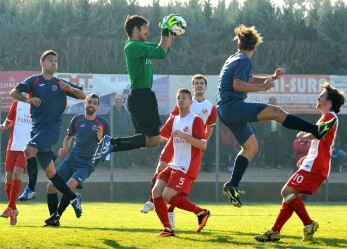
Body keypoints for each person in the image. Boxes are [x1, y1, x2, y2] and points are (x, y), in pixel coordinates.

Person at [217, 24, 337, 208]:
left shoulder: (235, 58)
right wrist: (263, 87)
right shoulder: (245, 60)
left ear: (238, 44)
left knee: (251, 147)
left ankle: (232, 184)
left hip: (226, 111)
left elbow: (248, 78)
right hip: (232, 107)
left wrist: (270, 78)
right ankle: (316, 130)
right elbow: (238, 85)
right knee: (276, 112)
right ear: (255, 47)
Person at [254, 82, 345, 242]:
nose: (318, 97)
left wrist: (304, 135)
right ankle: (274, 231)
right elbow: (322, 141)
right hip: (314, 163)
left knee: (286, 192)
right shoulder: (326, 117)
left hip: (316, 166)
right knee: (289, 198)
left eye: (321, 95)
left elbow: (319, 133)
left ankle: (308, 224)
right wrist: (307, 156)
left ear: (329, 102)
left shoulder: (331, 117)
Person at [93, 14, 180, 164]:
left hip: (143, 96)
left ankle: (111, 144)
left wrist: (169, 32)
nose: (147, 31)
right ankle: (111, 143)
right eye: (145, 28)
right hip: (141, 97)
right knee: (154, 140)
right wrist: (165, 30)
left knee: (152, 140)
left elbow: (163, 51)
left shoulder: (141, 45)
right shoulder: (133, 46)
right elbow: (160, 52)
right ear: (135, 29)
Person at [10, 50, 86, 218]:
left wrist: (71, 88)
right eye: (50, 60)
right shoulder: (34, 80)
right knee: (51, 174)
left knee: (28, 150)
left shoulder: (60, 83)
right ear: (42, 63)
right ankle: (74, 198)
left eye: (56, 61)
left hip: (51, 130)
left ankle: (30, 188)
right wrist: (27, 99)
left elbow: (83, 96)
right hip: (36, 130)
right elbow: (13, 92)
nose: (53, 63)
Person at [140, 74, 217, 228]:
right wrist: (145, 140)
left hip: (189, 152)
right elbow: (165, 131)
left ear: (206, 87)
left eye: (202, 83)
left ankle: (173, 211)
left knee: (169, 194)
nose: (199, 85)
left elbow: (208, 132)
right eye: (196, 83)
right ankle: (153, 203)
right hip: (175, 144)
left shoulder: (209, 109)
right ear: (193, 86)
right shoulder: (181, 107)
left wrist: (199, 141)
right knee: (160, 169)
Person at [44, 93, 109, 226]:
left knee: (69, 186)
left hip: (86, 164)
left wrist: (101, 139)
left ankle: (56, 217)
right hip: (71, 160)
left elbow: (107, 147)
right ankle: (54, 219)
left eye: (95, 103)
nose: (91, 104)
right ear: (85, 103)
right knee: (51, 187)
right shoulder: (77, 119)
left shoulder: (103, 123)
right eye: (89, 102)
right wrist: (65, 148)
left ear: (98, 106)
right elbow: (68, 137)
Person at [152, 88, 210, 237]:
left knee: (167, 195)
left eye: (184, 98)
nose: (181, 100)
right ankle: (167, 228)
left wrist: (185, 136)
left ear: (190, 102)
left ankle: (201, 212)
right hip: (174, 164)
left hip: (187, 166)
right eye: (178, 98)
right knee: (156, 192)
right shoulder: (174, 119)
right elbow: (159, 136)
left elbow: (203, 145)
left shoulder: (196, 120)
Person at [0, 100, 31, 225]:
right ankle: (13, 210)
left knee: (16, 175)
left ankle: (10, 208)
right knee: (8, 178)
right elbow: (8, 122)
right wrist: (2, 126)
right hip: (12, 145)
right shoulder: (16, 104)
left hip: (25, 147)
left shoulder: (37, 105)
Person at [112, 97, 133, 169]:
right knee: (113, 150)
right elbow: (109, 122)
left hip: (125, 134)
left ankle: (124, 165)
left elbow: (130, 121)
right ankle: (112, 166)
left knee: (124, 150)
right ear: (114, 103)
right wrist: (113, 132)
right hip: (115, 134)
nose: (118, 103)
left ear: (121, 103)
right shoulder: (111, 111)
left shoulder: (125, 112)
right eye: (117, 102)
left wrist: (129, 129)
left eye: (119, 102)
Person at [262, 97, 282, 169]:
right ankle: (268, 164)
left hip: (277, 132)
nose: (273, 103)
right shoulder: (265, 109)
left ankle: (278, 164)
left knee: (278, 148)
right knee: (268, 149)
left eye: (274, 102)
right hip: (268, 133)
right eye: (272, 102)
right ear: (269, 102)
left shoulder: (279, 110)